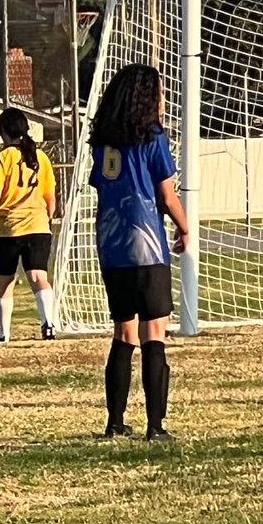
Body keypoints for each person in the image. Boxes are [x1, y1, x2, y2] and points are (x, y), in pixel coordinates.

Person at [88, 63, 188, 442]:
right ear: (148, 96)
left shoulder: (103, 141)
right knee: (154, 332)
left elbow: (104, 186)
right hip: (146, 245)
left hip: (111, 248)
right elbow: (166, 195)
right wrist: (185, 226)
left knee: (122, 332)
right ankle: (155, 426)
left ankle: (114, 422)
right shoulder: (153, 137)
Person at [0, 109, 59, 341]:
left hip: (8, 229)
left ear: (3, 132)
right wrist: (46, 219)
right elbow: (50, 197)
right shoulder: (41, 158)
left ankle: (3, 333)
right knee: (39, 277)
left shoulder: (2, 158)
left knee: (5, 279)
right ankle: (48, 324)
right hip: (39, 226)